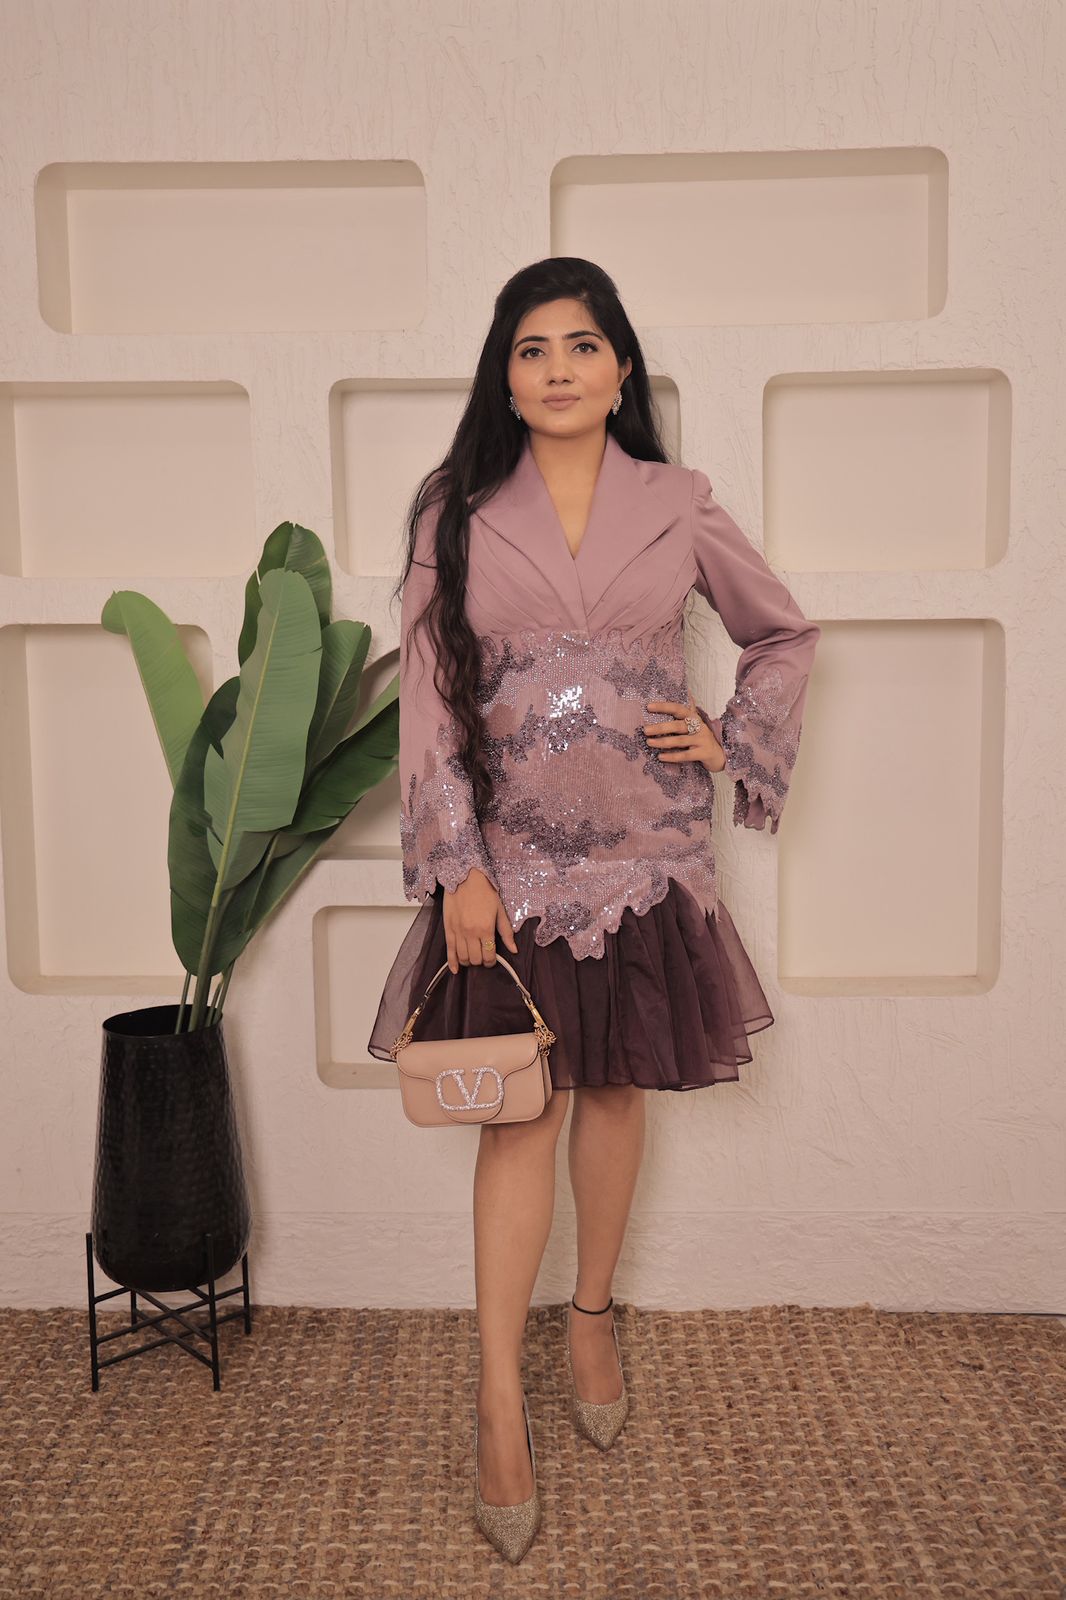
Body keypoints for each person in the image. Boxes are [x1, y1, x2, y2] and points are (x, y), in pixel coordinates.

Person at [367, 256, 821, 1563]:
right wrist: (456, 864)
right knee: (520, 1114)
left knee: (615, 1091)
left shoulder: (678, 503)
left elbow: (782, 634)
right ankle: (497, 1401)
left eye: (581, 345)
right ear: (504, 377)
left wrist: (731, 734)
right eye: (531, 349)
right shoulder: (454, 509)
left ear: (620, 367)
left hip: (646, 854)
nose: (557, 368)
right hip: (508, 867)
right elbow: (429, 692)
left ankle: (591, 1318)